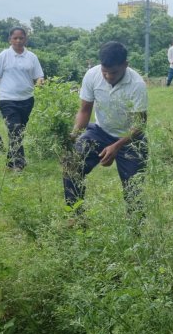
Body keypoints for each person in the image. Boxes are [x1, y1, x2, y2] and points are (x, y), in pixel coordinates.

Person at [62, 42, 148, 224]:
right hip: (100, 131)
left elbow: (140, 125)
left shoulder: (137, 84)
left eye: (113, 72)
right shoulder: (92, 75)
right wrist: (73, 135)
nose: (108, 76)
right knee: (72, 166)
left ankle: (136, 228)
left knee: (134, 187)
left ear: (125, 64)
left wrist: (116, 146)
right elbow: (85, 110)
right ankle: (75, 216)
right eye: (104, 72)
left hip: (130, 139)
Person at [0, 27, 45, 171]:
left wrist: (40, 82)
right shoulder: (4, 56)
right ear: (10, 39)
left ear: (25, 39)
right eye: (15, 38)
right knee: (14, 129)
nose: (18, 41)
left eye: (21, 38)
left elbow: (38, 76)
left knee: (19, 131)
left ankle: (11, 163)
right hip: (7, 99)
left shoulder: (32, 57)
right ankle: (18, 164)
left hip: (27, 100)